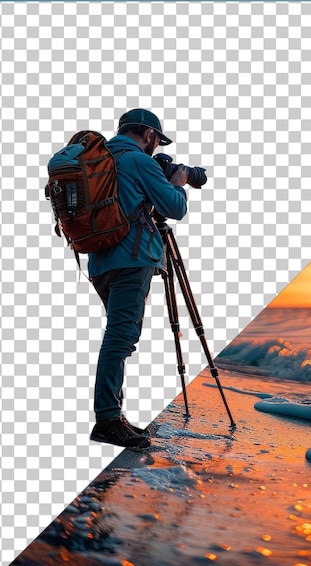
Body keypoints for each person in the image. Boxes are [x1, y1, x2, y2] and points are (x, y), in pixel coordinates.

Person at [88, 109, 188, 449]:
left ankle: (112, 414)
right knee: (120, 338)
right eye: (157, 139)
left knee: (117, 335)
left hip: (100, 260)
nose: (156, 146)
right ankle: (106, 419)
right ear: (147, 134)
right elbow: (175, 207)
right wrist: (180, 182)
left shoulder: (100, 159)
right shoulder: (138, 161)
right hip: (132, 259)